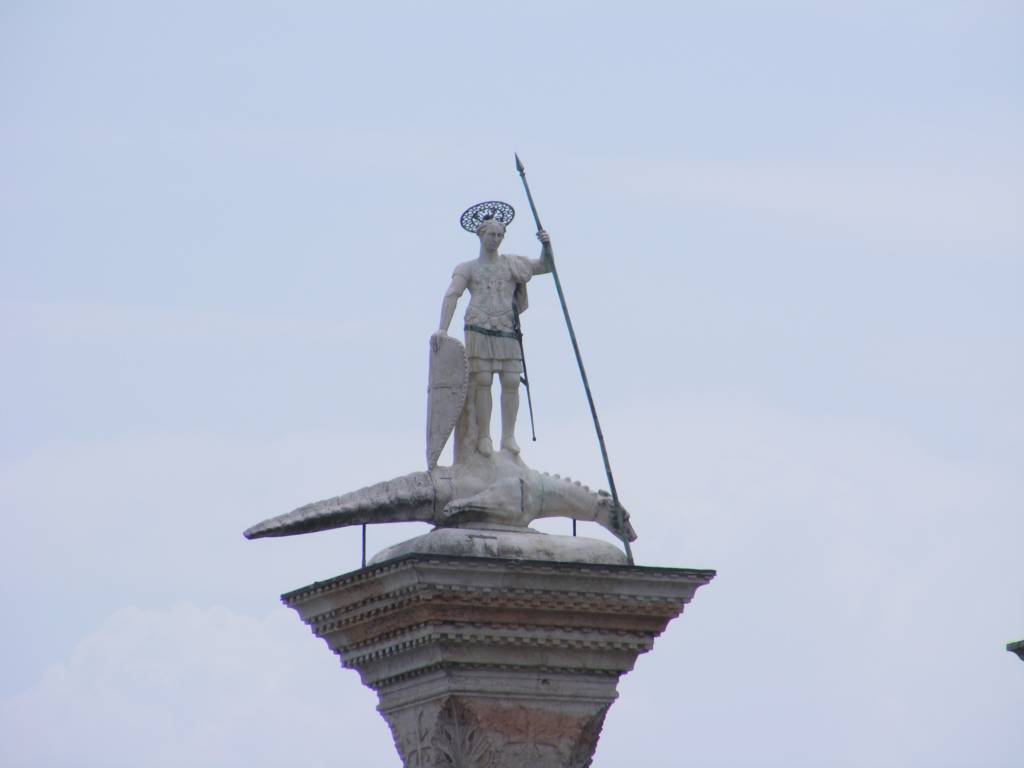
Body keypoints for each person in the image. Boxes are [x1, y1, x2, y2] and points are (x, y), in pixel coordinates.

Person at [432, 217, 552, 457]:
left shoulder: (512, 264)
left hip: (507, 324)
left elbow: (545, 266)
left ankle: (508, 437)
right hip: (478, 325)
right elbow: (452, 295)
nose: (495, 240)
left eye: (499, 236)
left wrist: (546, 246)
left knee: (511, 381)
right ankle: (484, 435)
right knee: (483, 381)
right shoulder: (467, 267)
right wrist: (442, 328)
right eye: (491, 235)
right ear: (481, 235)